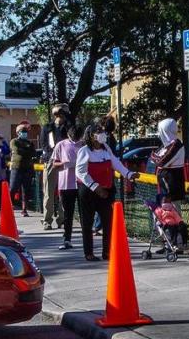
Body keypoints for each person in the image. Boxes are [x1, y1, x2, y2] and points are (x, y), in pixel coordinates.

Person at [75, 121, 138, 261]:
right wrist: (96, 187)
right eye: (98, 131)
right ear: (91, 136)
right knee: (87, 223)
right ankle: (89, 253)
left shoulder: (106, 148)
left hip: (107, 190)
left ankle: (107, 252)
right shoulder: (84, 150)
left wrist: (128, 174)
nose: (102, 133)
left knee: (108, 222)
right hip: (90, 191)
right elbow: (80, 172)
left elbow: (115, 162)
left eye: (102, 130)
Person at [40, 104, 73, 230]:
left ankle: (62, 219)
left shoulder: (69, 128)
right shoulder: (48, 128)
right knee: (48, 193)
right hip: (50, 161)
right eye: (57, 114)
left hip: (64, 163)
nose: (59, 116)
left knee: (63, 192)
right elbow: (44, 145)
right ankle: (47, 220)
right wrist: (53, 157)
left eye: (62, 114)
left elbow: (72, 141)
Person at [51, 124, 82, 250]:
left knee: (84, 212)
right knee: (68, 213)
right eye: (73, 137)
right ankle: (67, 239)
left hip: (81, 183)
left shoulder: (83, 145)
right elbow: (54, 164)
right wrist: (64, 163)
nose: (75, 140)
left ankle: (87, 238)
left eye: (77, 138)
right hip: (66, 184)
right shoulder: (61, 145)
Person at [151, 117, 186, 201]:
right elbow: (152, 158)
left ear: (166, 130)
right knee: (163, 212)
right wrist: (155, 157)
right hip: (164, 187)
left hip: (172, 190)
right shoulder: (165, 146)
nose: (159, 133)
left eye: (161, 130)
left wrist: (155, 157)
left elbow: (161, 162)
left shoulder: (176, 145)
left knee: (173, 213)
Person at [9, 121, 37, 217]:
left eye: (26, 131)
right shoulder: (14, 141)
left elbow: (33, 153)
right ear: (18, 132)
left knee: (26, 190)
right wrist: (27, 150)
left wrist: (27, 150)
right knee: (13, 188)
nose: (25, 133)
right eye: (22, 131)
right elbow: (17, 151)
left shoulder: (30, 143)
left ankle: (24, 209)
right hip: (16, 168)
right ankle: (10, 206)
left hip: (27, 168)